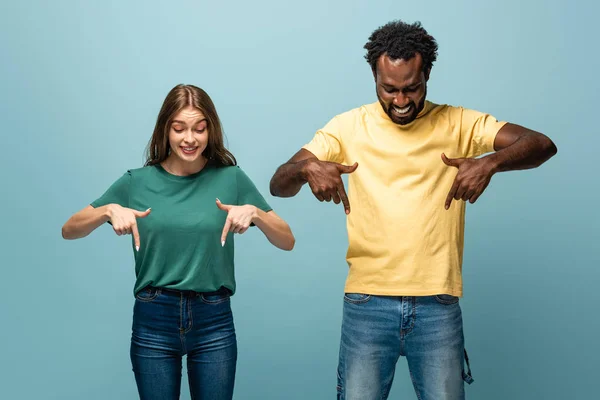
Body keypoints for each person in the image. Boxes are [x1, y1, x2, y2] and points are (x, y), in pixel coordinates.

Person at [269, 20, 557, 400]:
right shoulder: (347, 127)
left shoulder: (458, 122)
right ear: (374, 76)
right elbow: (278, 184)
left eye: (411, 89)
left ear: (427, 77)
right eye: (389, 90)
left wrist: (489, 163)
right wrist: (307, 169)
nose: (401, 101)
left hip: (438, 303)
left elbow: (541, 144)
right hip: (367, 303)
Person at [62, 84, 295, 400]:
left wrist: (255, 213)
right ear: (165, 131)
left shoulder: (231, 178)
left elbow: (286, 240)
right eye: (179, 128)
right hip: (153, 317)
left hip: (214, 318)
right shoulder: (136, 182)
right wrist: (107, 210)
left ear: (210, 130)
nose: (190, 139)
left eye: (200, 129)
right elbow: (70, 229)